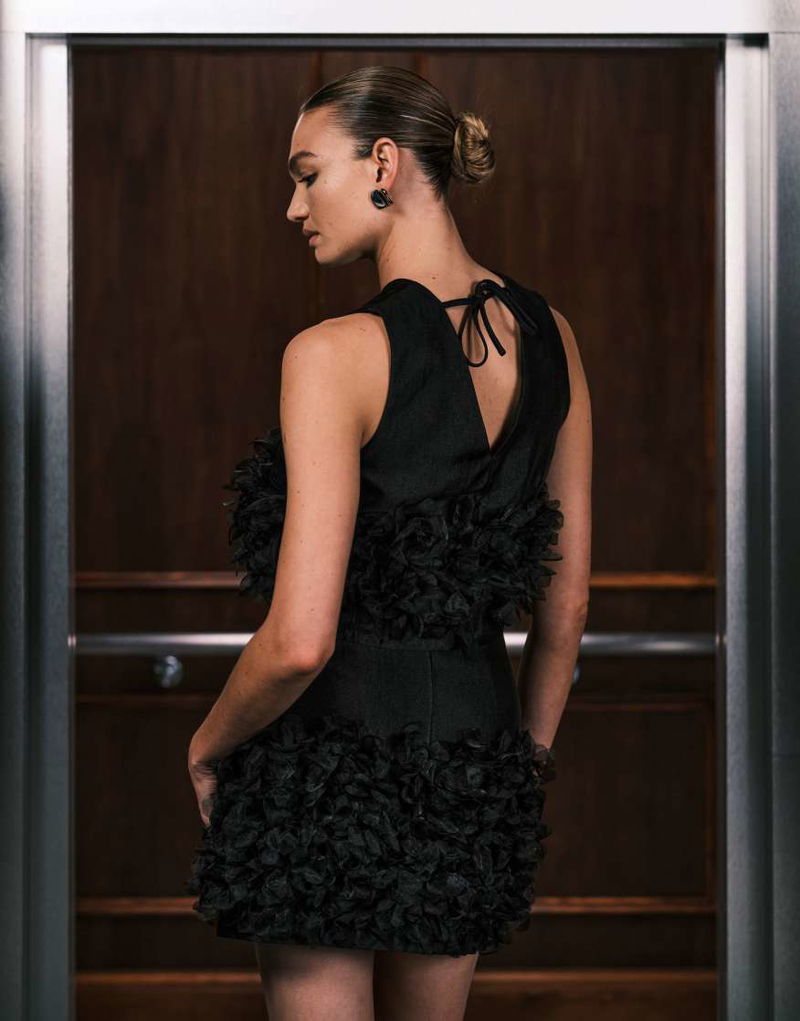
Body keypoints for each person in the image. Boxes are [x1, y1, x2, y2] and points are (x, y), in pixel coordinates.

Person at [186, 64, 591, 1020]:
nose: (294, 207)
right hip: (475, 758)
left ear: (382, 163)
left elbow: (300, 640)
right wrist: (516, 768)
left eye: (306, 174)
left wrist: (207, 745)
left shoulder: (332, 355)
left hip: (323, 760)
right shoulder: (555, 338)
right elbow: (568, 600)